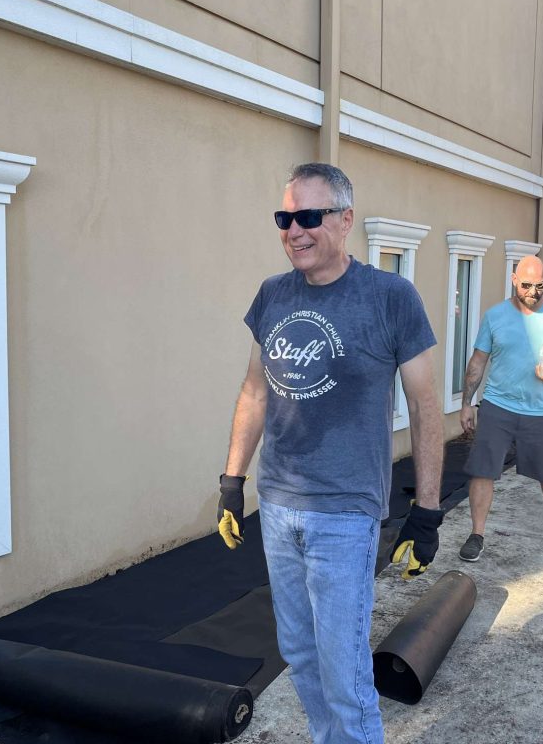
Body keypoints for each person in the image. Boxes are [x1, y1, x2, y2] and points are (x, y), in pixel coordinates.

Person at [217, 163, 444, 743]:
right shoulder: (272, 294)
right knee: (298, 651)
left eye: (310, 217)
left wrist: (427, 512)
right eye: (285, 218)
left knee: (344, 669)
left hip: (345, 511)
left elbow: (425, 407)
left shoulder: (389, 297)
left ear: (345, 220)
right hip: (278, 504)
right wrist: (232, 481)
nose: (295, 230)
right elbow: (255, 391)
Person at [456, 256, 543, 563]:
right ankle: (477, 534)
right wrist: (466, 403)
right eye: (526, 285)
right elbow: (478, 361)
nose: (533, 292)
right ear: (514, 280)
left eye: (540, 286)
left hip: (541, 410)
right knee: (482, 470)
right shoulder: (495, 315)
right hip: (497, 404)